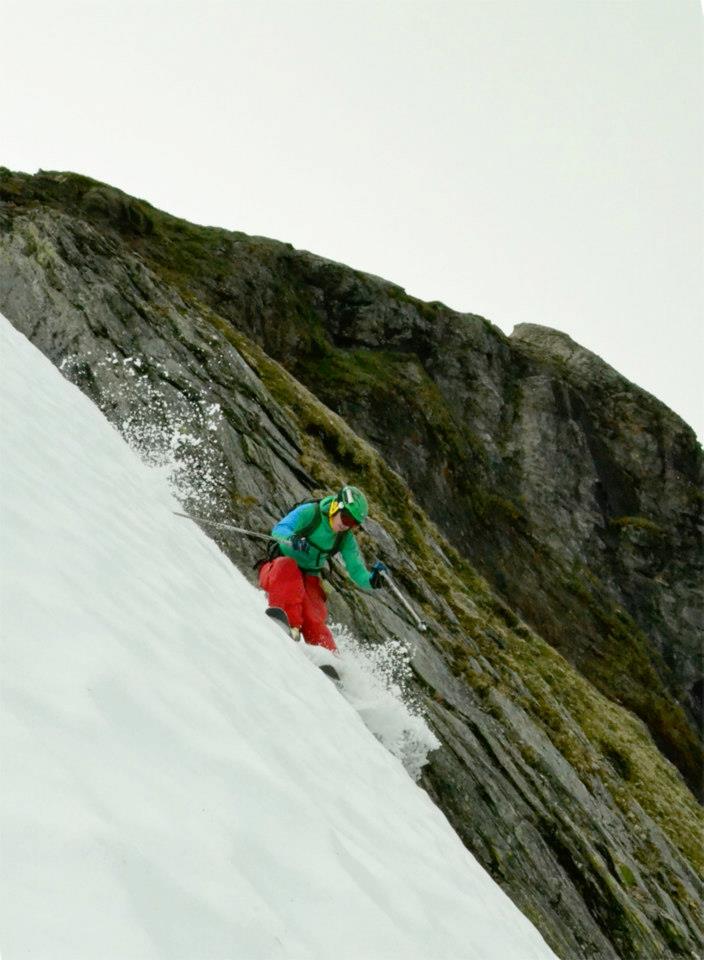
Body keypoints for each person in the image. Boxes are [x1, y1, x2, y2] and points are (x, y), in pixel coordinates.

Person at [258, 485, 386, 652]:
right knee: (288, 569)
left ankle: (329, 656)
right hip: (277, 567)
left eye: (353, 524)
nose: (346, 526)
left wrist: (371, 580)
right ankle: (288, 624)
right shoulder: (310, 512)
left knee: (314, 616)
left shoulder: (345, 538)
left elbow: (356, 570)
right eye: (346, 518)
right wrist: (292, 538)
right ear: (336, 506)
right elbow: (280, 528)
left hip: (309, 576)